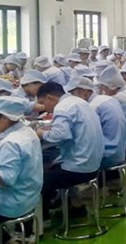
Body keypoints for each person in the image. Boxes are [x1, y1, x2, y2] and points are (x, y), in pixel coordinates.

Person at [36, 81, 103, 217]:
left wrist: (41, 133)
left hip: (79, 168)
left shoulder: (62, 108)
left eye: (43, 103)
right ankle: (74, 206)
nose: (44, 107)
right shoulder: (77, 102)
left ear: (50, 97)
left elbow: (61, 135)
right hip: (93, 163)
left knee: (39, 179)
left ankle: (40, 221)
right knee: (52, 165)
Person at [0, 96, 43, 244]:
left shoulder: (10, 143)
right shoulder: (26, 132)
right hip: (29, 196)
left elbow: (6, 179)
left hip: (12, 202)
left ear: (5, 118)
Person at [66, 76, 126, 169]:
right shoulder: (107, 99)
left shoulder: (92, 107)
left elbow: (83, 135)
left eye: (72, 93)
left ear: (84, 91)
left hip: (107, 155)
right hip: (120, 152)